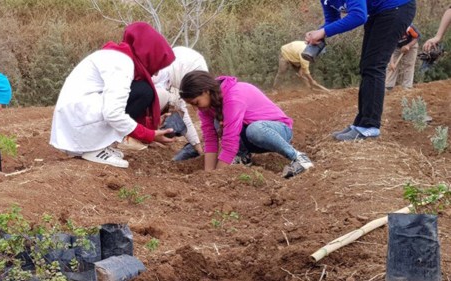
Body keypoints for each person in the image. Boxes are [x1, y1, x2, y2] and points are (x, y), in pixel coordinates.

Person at [50, 22, 176, 168]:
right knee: (144, 92)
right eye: (157, 65)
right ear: (148, 56)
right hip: (79, 121)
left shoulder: (118, 56)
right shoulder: (121, 63)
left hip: (75, 118)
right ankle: (93, 148)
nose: (156, 73)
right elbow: (113, 113)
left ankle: (100, 144)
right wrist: (149, 135)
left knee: (142, 90)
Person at [305, 0, 416, 141]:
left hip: (397, 8)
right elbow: (332, 20)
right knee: (367, 66)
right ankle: (361, 123)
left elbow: (359, 16)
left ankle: (370, 126)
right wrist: (317, 33)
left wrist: (323, 31)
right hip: (379, 13)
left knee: (374, 66)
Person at [179, 71, 314, 179]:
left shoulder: (233, 96)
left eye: (196, 102)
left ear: (206, 91)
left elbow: (230, 140)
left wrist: (217, 176)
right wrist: (208, 173)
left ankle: (299, 158)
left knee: (255, 130)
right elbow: (210, 139)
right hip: (251, 135)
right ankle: (243, 157)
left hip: (278, 130)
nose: (196, 108)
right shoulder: (207, 107)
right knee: (217, 123)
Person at [152, 46, 208, 161]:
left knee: (177, 121)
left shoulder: (175, 85)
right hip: (125, 121)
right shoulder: (156, 77)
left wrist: (197, 147)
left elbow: (184, 116)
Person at [385, 24, 420, 90]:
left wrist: (408, 46)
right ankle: (388, 86)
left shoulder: (409, 27)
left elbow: (417, 37)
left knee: (409, 64)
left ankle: (407, 86)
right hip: (396, 47)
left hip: (411, 44)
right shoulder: (390, 32)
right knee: (390, 65)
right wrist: (392, 62)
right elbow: (389, 48)